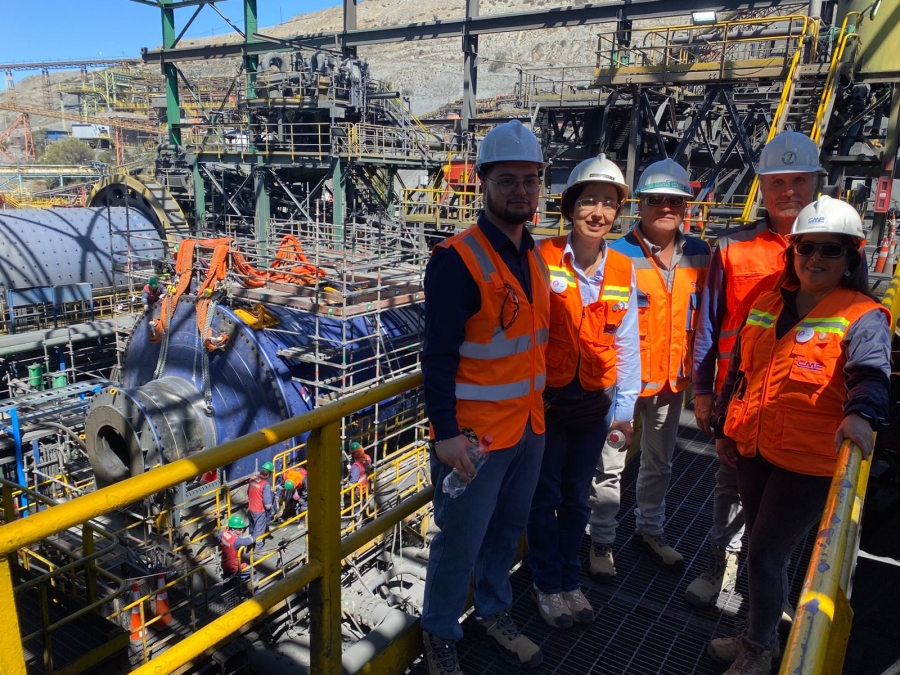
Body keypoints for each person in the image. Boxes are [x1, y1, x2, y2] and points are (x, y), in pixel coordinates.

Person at [706, 196, 891, 674]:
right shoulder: (769, 301)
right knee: (761, 550)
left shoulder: (862, 314)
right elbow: (741, 373)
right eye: (806, 247)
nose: (815, 259)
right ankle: (758, 632)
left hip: (808, 463)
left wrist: (861, 415)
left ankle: (757, 651)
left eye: (830, 250)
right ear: (792, 252)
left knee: (766, 551)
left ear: (852, 257)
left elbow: (871, 373)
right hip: (755, 448)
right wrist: (726, 427)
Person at [420, 119, 550, 675]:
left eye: (530, 180)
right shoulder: (458, 260)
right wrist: (445, 435)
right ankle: (440, 635)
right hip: (473, 440)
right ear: (484, 184)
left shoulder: (533, 252)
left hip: (527, 429)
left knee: (505, 532)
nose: (520, 191)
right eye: (507, 181)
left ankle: (496, 611)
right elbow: (439, 355)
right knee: (458, 542)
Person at [687, 130, 821, 609]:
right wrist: (704, 392)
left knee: (789, 499)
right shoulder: (733, 247)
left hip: (804, 403)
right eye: (777, 181)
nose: (788, 191)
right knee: (729, 485)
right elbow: (708, 322)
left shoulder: (833, 247)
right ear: (762, 187)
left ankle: (767, 586)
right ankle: (716, 565)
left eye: (798, 181)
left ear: (816, 184)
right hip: (739, 397)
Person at [526, 154, 639, 629]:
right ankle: (546, 584)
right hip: (548, 405)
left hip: (595, 405)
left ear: (618, 212)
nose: (598, 211)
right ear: (570, 207)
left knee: (577, 498)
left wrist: (625, 408)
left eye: (608, 203)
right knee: (543, 495)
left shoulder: (622, 271)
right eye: (588, 200)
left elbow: (628, 341)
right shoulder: (540, 256)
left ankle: (570, 580)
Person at [607, 158, 711, 569]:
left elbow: (706, 321)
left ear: (686, 206)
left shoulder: (701, 255)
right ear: (641, 204)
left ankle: (650, 530)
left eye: (674, 200)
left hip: (672, 382)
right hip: (623, 385)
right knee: (610, 465)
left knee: (659, 464)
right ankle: (601, 540)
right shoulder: (615, 254)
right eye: (656, 200)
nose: (665, 207)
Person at [248, 462, 275, 552]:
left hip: (251, 507)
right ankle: (260, 549)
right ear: (268, 474)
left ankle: (250, 544)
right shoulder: (265, 484)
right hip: (259, 510)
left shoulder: (252, 479)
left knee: (253, 528)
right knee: (259, 530)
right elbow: (267, 504)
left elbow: (249, 492)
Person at [219, 514, 254, 582]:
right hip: (235, 566)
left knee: (228, 581)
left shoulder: (223, 533)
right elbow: (246, 541)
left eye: (243, 528)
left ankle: (227, 589)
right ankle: (255, 591)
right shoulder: (236, 541)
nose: (242, 531)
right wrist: (254, 537)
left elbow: (219, 536)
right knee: (252, 572)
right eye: (240, 529)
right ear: (233, 529)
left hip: (225, 564)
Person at [347, 442, 372, 517]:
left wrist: (350, 471)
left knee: (357, 507)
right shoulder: (367, 457)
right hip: (367, 485)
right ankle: (367, 512)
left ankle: (358, 525)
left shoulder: (356, 466)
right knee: (365, 501)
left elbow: (353, 482)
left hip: (359, 490)